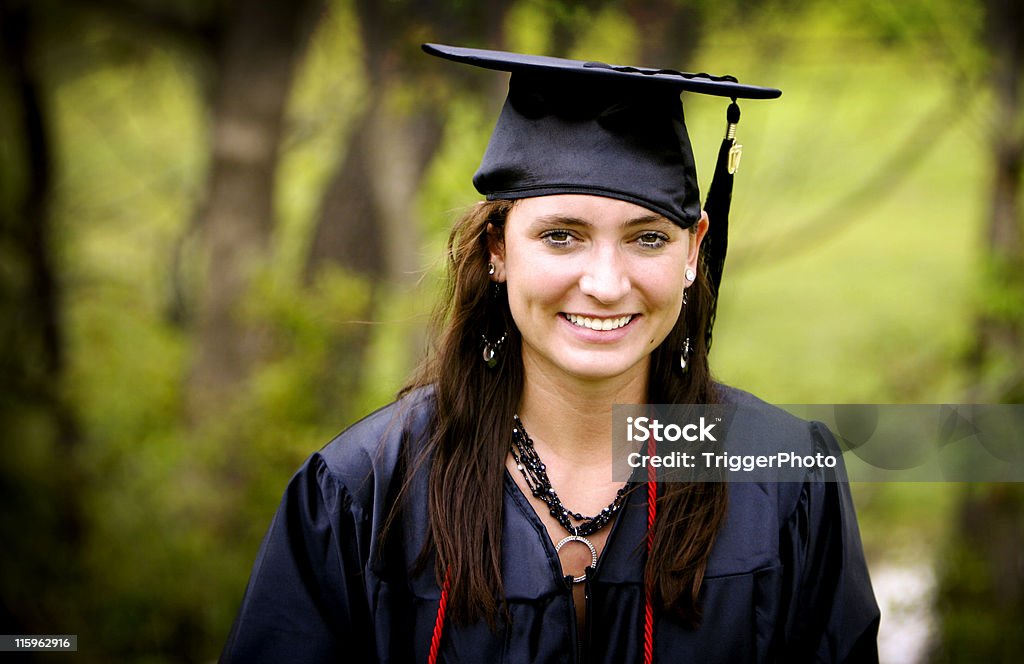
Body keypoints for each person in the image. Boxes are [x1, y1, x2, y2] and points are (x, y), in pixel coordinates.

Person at [221, 43, 880, 663]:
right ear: (498, 249)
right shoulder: (364, 493)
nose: (605, 283)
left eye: (647, 239)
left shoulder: (783, 482)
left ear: (693, 249)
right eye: (562, 236)